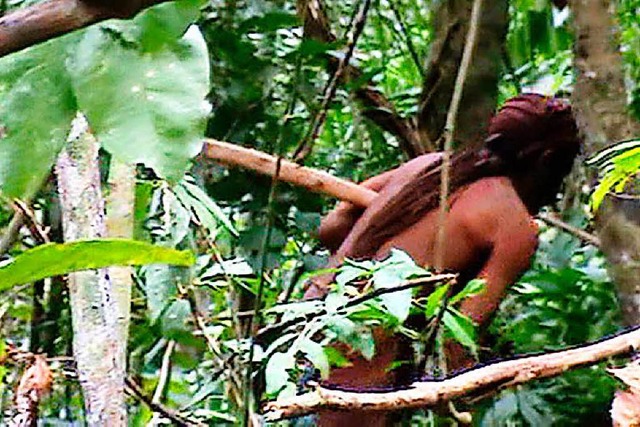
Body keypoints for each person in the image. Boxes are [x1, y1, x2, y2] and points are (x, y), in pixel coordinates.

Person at [304, 93, 582, 426]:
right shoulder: (514, 227)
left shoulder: (428, 166)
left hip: (300, 338)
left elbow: (330, 227)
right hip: (354, 386)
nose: (556, 192)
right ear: (546, 161)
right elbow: (455, 345)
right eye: (562, 175)